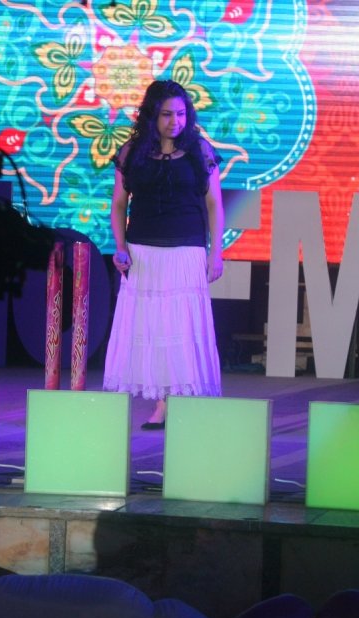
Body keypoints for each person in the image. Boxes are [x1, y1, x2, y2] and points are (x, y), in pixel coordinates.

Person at [102, 79, 224, 430]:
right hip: (144, 252)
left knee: (181, 327)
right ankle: (161, 403)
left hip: (186, 250)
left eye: (181, 114)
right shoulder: (132, 152)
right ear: (152, 115)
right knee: (152, 328)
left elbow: (214, 204)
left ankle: (181, 401)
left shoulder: (200, 150)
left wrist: (216, 252)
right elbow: (119, 204)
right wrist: (120, 247)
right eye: (167, 114)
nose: (175, 121)